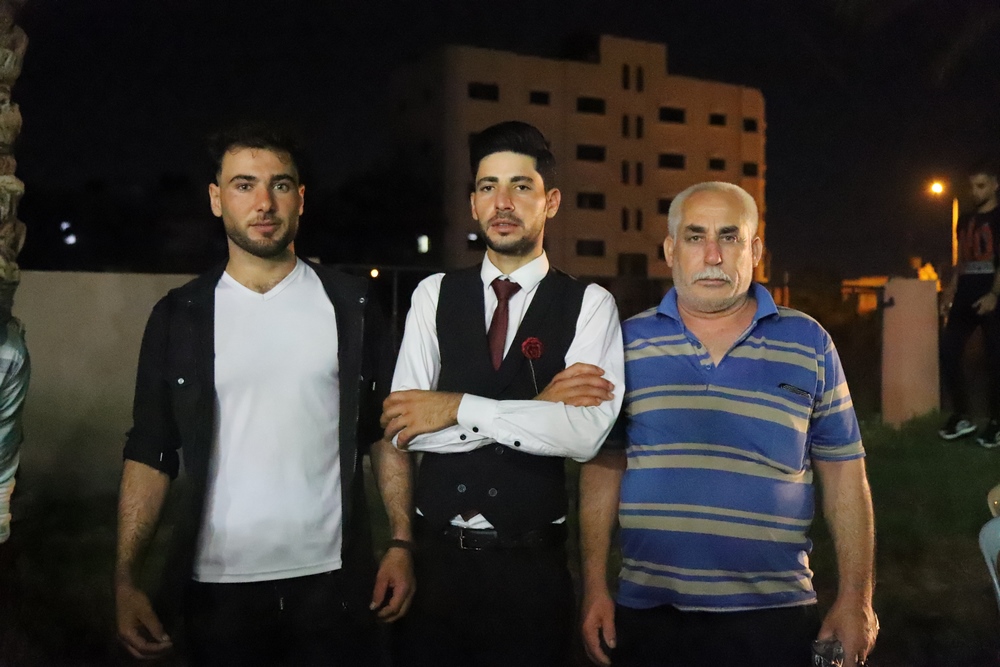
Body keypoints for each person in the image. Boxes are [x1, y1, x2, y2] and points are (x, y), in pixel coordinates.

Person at [113, 121, 414, 666]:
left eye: (280, 184)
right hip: (217, 591)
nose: (264, 203)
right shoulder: (180, 316)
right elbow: (151, 450)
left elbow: (385, 430)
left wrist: (400, 541)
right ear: (216, 199)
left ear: (301, 199)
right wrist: (126, 577)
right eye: (244, 184)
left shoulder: (352, 306)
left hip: (333, 586)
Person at [580, 182, 878, 667]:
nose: (713, 255)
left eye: (729, 237)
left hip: (775, 618)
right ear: (670, 250)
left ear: (755, 250)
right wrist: (594, 586)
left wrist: (857, 599)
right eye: (695, 237)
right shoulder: (624, 344)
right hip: (651, 614)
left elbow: (845, 474)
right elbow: (603, 467)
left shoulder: (808, 342)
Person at [381, 120, 624, 666]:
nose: (503, 202)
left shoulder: (590, 304)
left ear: (551, 201)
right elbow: (402, 428)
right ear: (473, 203)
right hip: (435, 566)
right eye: (488, 187)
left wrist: (454, 407)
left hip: (531, 571)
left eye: (521, 186)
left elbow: (584, 437)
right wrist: (537, 413)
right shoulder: (433, 295)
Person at [938, 163, 1000, 446]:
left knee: (995, 360)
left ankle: (996, 423)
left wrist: (994, 295)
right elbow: (962, 259)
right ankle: (962, 416)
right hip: (964, 294)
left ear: (995, 185)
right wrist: (950, 291)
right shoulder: (964, 220)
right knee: (949, 352)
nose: (975, 192)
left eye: (981, 186)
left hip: (992, 295)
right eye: (972, 186)